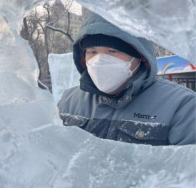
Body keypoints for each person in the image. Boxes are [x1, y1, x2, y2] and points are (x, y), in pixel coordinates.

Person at [58, 12, 196, 145]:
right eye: (92, 52)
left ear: (140, 56)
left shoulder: (182, 106)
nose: (99, 60)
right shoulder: (68, 101)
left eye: (113, 51)